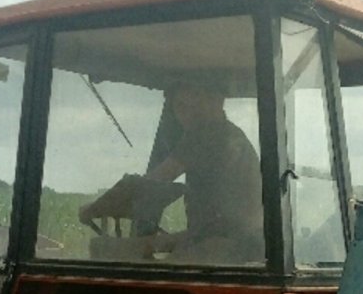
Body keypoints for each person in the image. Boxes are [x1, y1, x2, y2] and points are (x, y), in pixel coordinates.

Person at [79, 85, 264, 264]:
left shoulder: (207, 132)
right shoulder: (233, 135)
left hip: (225, 245)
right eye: (181, 107)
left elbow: (156, 181)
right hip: (237, 240)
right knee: (136, 247)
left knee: (124, 262)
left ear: (217, 101)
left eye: (197, 105)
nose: (188, 115)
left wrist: (95, 208)